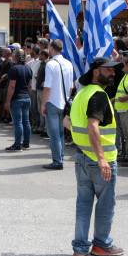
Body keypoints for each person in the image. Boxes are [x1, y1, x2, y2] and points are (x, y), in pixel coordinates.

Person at [66, 57, 124, 256]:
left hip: (81, 157)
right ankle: (101, 245)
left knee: (83, 204)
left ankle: (80, 249)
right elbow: (92, 126)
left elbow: (67, 121)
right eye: (108, 70)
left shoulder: (82, 93)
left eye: (114, 71)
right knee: (105, 205)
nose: (113, 74)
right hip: (101, 160)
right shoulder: (98, 95)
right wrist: (101, 159)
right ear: (96, 71)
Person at [41, 40, 74, 170]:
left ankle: (57, 161)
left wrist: (43, 104)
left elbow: (47, 87)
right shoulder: (69, 64)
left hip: (53, 102)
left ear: (51, 48)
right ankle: (59, 158)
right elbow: (71, 86)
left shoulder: (51, 64)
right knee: (60, 133)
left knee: (54, 134)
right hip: (64, 102)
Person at [4, 50, 32, 151]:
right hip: (26, 98)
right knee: (26, 121)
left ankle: (17, 144)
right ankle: (26, 143)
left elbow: (12, 86)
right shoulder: (28, 68)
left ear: (15, 57)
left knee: (18, 123)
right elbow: (30, 86)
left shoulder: (14, 69)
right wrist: (29, 97)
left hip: (17, 98)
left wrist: (7, 101)